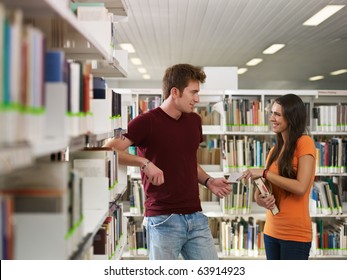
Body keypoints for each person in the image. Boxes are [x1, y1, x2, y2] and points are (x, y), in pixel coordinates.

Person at [104, 63, 232, 260]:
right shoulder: (146, 121)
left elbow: (188, 162)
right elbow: (108, 150)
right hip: (163, 219)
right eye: (193, 93)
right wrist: (143, 162)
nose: (197, 99)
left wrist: (208, 181)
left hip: (195, 216)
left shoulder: (194, 121)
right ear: (175, 92)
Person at [238, 93, 316, 260]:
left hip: (295, 234)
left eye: (277, 114)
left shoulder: (305, 142)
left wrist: (265, 173)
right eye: (271, 113)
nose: (271, 118)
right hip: (271, 231)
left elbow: (301, 187)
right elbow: (261, 192)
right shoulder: (274, 151)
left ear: (292, 117)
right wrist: (261, 199)